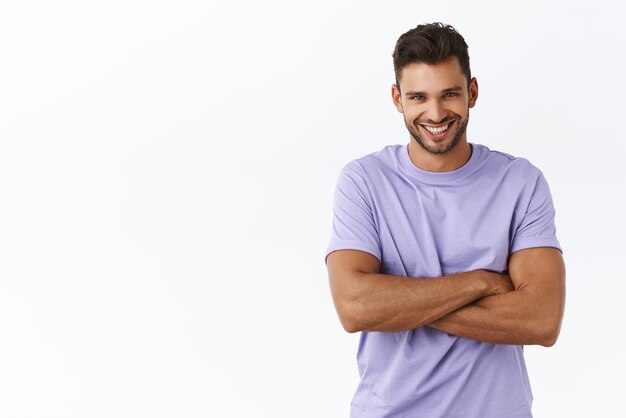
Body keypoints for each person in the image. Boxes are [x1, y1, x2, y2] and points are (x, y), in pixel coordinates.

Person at [324, 22, 565, 418]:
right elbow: (355, 308)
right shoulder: (364, 181)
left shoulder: (520, 182)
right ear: (397, 99)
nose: (435, 113)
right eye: (419, 96)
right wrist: (482, 282)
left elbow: (541, 319)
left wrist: (399, 304)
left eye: (449, 94)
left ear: (471, 92)